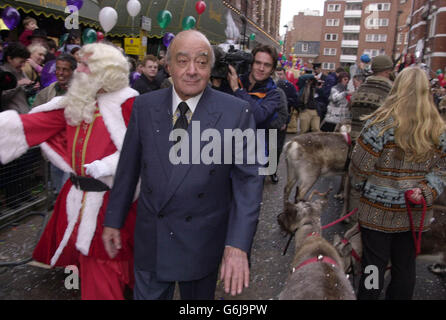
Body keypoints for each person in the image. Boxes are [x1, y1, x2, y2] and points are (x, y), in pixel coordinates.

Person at [102, 30, 263, 300]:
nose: (192, 71)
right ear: (168, 66)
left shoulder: (236, 112)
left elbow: (249, 182)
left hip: (203, 242)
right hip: (152, 237)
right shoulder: (143, 106)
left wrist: (237, 245)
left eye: (201, 62)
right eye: (182, 61)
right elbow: (128, 169)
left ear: (211, 68)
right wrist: (113, 220)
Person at [0, 43, 139, 300]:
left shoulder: (128, 104)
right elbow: (28, 125)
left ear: (105, 72)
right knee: (92, 264)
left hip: (112, 204)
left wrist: (107, 166)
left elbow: (141, 154)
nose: (79, 70)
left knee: (108, 267)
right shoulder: (75, 102)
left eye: (86, 65)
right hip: (78, 201)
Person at [350, 67, 446, 300]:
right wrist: (426, 191)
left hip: (375, 212)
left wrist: (362, 187)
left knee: (373, 267)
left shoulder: (379, 124)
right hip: (414, 212)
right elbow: (442, 169)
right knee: (405, 268)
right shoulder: (437, 130)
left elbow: (360, 165)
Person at [33, 54, 77, 195]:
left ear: (73, 71)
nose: (60, 73)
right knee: (59, 191)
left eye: (65, 69)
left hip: (73, 151)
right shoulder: (48, 91)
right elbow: (35, 113)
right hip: (55, 151)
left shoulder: (81, 91)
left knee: (67, 189)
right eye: (58, 69)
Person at [226, 44, 281, 129]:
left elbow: (258, 117)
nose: (261, 68)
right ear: (251, 64)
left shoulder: (274, 94)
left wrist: (237, 90)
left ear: (272, 70)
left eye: (267, 65)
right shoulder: (234, 80)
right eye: (258, 63)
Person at [350, 55, 394, 139]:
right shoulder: (389, 92)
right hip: (374, 144)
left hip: (354, 139)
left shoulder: (359, 90)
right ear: (387, 71)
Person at [0, 42, 33, 114]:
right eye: (21, 62)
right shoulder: (2, 74)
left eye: (24, 62)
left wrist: (32, 87)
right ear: (9, 58)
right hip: (10, 118)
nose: (23, 65)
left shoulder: (20, 72)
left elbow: (24, 92)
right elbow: (3, 97)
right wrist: (18, 84)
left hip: (25, 114)